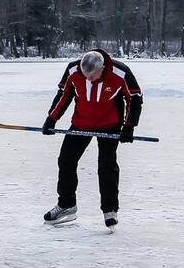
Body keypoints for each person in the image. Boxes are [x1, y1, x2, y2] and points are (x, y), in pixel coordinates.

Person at [41, 49, 143, 229]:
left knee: (106, 166)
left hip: (109, 125)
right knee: (66, 160)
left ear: (102, 68)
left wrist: (129, 126)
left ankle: (110, 210)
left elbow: (134, 98)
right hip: (81, 124)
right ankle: (66, 205)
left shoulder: (120, 72)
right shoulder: (74, 70)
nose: (89, 80)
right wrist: (51, 119)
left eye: (93, 77)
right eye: (86, 76)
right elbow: (64, 95)